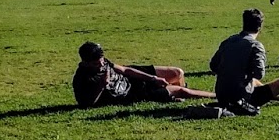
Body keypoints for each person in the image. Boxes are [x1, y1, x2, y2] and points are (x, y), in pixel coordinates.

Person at [209, 9, 279, 115]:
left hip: (222, 95)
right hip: (242, 99)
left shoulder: (228, 41)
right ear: (260, 27)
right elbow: (259, 74)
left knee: (254, 82)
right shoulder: (255, 45)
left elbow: (213, 65)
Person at [71, 41, 214, 108]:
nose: (102, 65)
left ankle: (171, 95)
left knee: (177, 73)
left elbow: (125, 70)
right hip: (132, 93)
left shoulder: (103, 62)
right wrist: (102, 85)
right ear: (86, 62)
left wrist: (153, 78)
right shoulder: (82, 78)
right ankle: (219, 96)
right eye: (97, 63)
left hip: (133, 80)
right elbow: (86, 104)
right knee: (183, 91)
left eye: (102, 61)